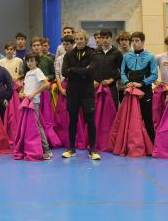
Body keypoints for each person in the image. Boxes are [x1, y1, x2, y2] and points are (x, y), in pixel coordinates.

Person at [62, 31, 100, 160]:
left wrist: (73, 70)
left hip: (87, 94)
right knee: (72, 121)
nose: (79, 41)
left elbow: (91, 70)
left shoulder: (92, 54)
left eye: (81, 39)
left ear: (86, 40)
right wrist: (83, 73)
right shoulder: (68, 54)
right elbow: (64, 72)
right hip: (73, 93)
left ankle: (93, 149)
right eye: (77, 39)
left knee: (90, 121)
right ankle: (71, 149)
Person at [120, 31, 158, 142]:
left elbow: (154, 75)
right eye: (132, 41)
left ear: (143, 42)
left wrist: (141, 83)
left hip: (145, 91)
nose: (134, 43)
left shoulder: (150, 56)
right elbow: (122, 72)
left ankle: (151, 144)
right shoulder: (126, 56)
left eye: (137, 41)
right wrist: (127, 82)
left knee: (147, 118)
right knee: (132, 119)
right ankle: (133, 144)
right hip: (131, 91)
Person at [20, 53, 53, 160]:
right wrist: (21, 93)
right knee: (27, 126)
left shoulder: (38, 71)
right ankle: (30, 149)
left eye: (32, 61)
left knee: (37, 125)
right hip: (26, 102)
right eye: (28, 61)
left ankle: (47, 150)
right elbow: (25, 87)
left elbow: (46, 84)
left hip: (34, 103)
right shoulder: (27, 73)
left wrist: (34, 93)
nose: (30, 63)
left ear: (36, 62)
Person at [92, 29, 122, 104]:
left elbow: (122, 70)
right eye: (102, 38)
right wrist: (93, 80)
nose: (105, 40)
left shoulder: (117, 53)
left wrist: (112, 80)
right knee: (97, 110)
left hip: (111, 87)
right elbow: (91, 68)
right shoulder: (95, 52)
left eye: (107, 37)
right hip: (97, 87)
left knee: (112, 110)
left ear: (111, 38)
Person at [115, 31, 132, 107]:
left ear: (129, 41)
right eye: (122, 40)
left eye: (126, 40)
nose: (124, 42)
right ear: (119, 41)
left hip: (132, 85)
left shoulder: (134, 53)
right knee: (123, 108)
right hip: (120, 86)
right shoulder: (116, 54)